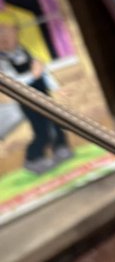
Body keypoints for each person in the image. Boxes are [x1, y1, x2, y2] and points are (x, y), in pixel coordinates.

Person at [0, 22, 72, 175]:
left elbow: (43, 71)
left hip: (43, 94)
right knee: (41, 130)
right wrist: (33, 75)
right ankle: (33, 159)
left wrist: (57, 88)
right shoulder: (3, 62)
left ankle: (61, 148)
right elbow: (12, 83)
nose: (4, 39)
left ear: (16, 33)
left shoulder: (24, 51)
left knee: (56, 121)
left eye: (7, 34)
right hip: (28, 101)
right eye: (1, 36)